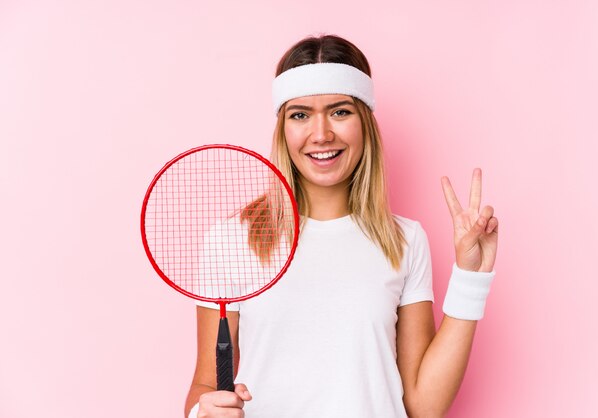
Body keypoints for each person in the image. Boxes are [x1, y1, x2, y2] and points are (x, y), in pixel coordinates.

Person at [184, 34, 499, 418]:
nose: (321, 134)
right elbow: (205, 384)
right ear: (282, 129)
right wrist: (202, 413)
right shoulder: (233, 239)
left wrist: (471, 278)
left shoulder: (405, 240)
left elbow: (422, 405)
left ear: (364, 122)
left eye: (340, 111)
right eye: (300, 114)